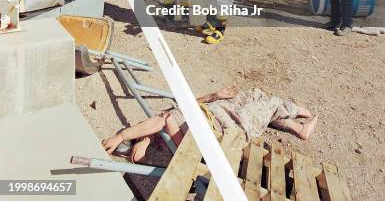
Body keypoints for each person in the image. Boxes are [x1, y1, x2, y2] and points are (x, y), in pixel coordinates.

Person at [102, 85, 318, 163]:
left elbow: (181, 109)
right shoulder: (153, 153)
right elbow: (191, 152)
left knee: (254, 94)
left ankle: (294, 124)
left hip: (217, 112)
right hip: (231, 128)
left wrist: (214, 95)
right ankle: (297, 116)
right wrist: (126, 138)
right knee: (269, 104)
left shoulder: (151, 134)